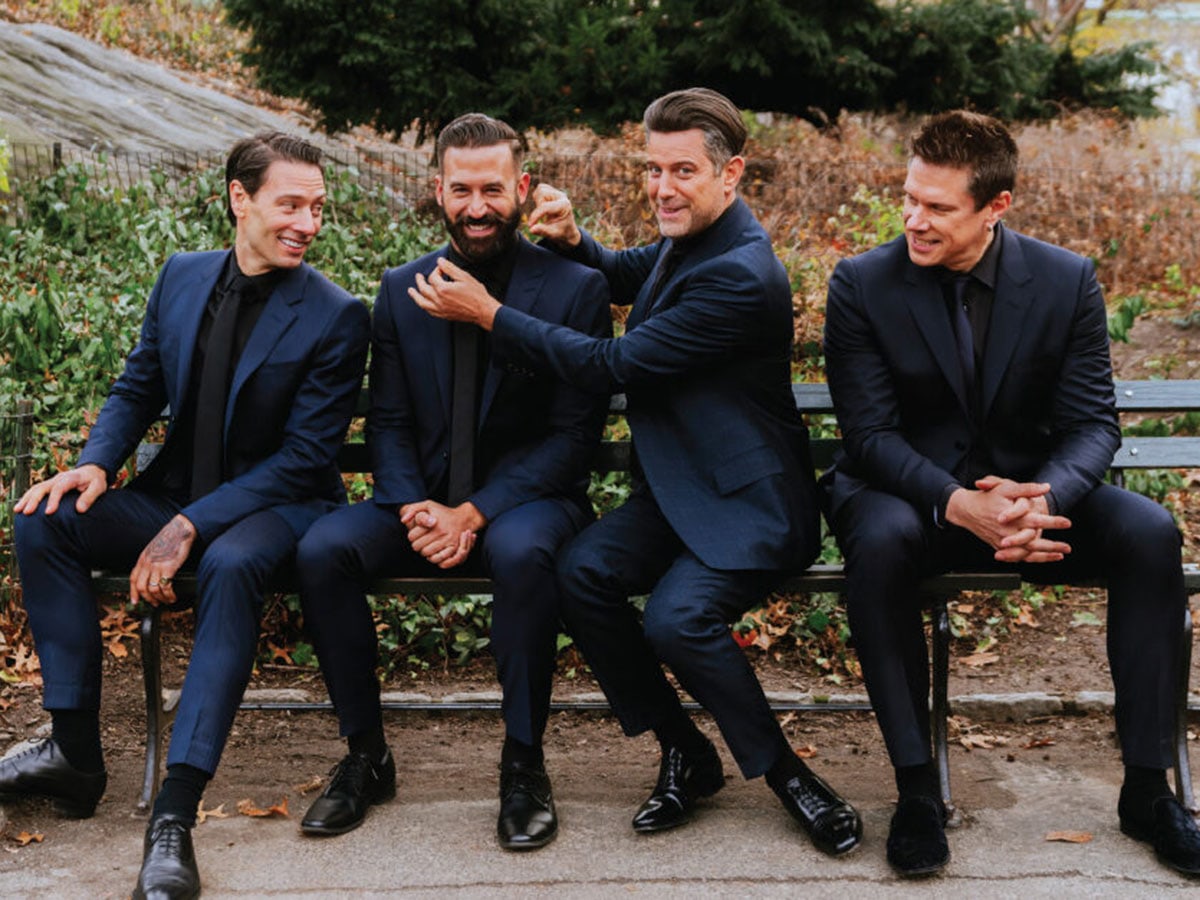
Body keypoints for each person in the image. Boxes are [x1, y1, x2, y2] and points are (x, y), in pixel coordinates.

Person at [408, 88, 862, 857]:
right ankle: (684, 748)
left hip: (750, 503)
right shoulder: (695, 241)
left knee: (675, 619)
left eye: (681, 170)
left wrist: (490, 315)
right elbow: (628, 273)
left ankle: (789, 776)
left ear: (733, 174)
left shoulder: (741, 274)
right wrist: (577, 239)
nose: (661, 188)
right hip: (683, 489)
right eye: (652, 169)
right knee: (580, 571)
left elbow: (610, 363)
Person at [821, 110, 1200, 878]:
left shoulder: (1066, 280)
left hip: (1029, 500)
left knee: (1150, 532)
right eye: (909, 198)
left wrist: (1037, 499)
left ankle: (1149, 790)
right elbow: (869, 436)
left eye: (937, 207)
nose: (913, 219)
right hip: (911, 499)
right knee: (883, 538)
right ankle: (918, 791)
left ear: (996, 206)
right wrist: (964, 506)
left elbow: (1094, 422)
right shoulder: (863, 283)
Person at [4, 132, 370, 899]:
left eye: (318, 208)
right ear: (239, 198)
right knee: (46, 517)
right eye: (290, 204)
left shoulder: (337, 315)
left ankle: (173, 814)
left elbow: (305, 459)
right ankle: (74, 753)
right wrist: (98, 464)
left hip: (277, 507)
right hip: (177, 496)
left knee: (234, 565)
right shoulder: (181, 277)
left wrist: (191, 526)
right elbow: (138, 384)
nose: (308, 222)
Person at [294, 113, 611, 851]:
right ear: (437, 190)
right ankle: (367, 756)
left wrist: (472, 512)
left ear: (522, 188)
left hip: (526, 505)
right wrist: (413, 510)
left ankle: (524, 762)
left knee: (527, 555)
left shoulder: (576, 289)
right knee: (322, 550)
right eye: (461, 189)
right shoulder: (403, 287)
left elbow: (572, 439)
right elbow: (392, 423)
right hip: (422, 504)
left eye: (493, 189)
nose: (477, 206)